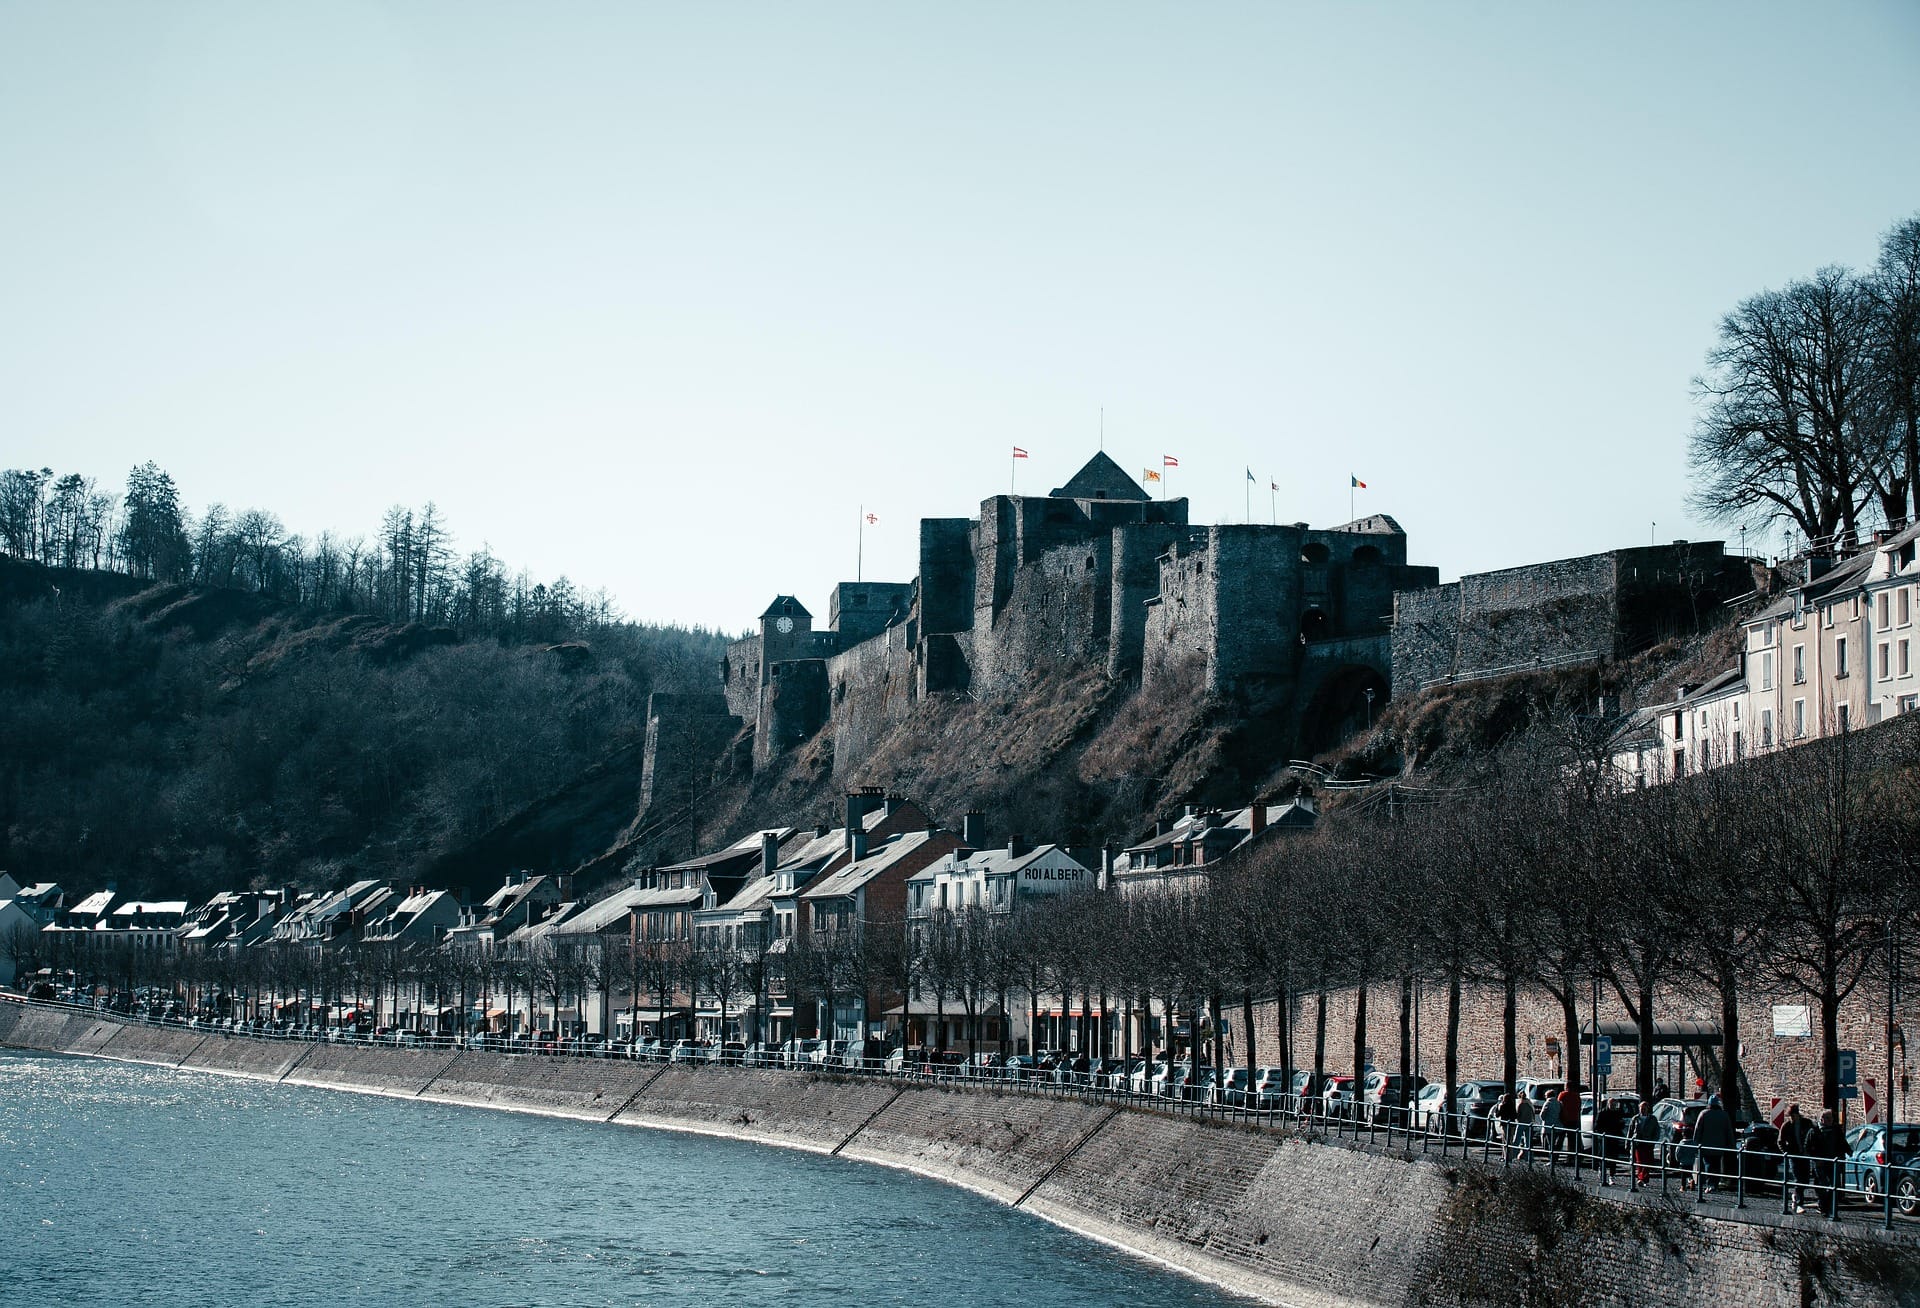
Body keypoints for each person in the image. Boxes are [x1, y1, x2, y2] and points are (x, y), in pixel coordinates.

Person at [1693, 1094, 1737, 1192]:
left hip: (1706, 1145)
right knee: (1716, 1165)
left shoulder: (1704, 1114)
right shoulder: (1724, 1115)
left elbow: (1698, 1129)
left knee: (1708, 1164)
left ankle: (1710, 1184)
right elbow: (1728, 1131)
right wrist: (1731, 1145)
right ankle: (1715, 1184)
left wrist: (1696, 1143)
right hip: (1719, 1146)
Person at [1810, 1108, 1847, 1218]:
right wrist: (1816, 1159)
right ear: (1822, 1119)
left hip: (1833, 1163)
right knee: (1822, 1186)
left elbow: (1842, 1143)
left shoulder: (1836, 1130)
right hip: (1820, 1164)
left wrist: (1848, 1151)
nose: (1830, 1120)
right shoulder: (1814, 1131)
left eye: (1831, 1118)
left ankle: (1831, 1209)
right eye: (1827, 1118)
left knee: (1834, 1186)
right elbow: (1808, 1147)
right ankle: (1823, 1207)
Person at [1780, 1104, 1812, 1211]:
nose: (1792, 1118)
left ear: (1797, 1115)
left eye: (1793, 1116)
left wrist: (1810, 1150)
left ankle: (1795, 1195)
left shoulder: (1806, 1123)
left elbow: (1813, 1135)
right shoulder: (1787, 1126)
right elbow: (1780, 1141)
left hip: (1805, 1154)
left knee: (1806, 1179)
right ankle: (1799, 1202)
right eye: (1790, 1116)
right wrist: (1786, 1152)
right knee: (1798, 1178)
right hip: (1793, 1155)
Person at [1594, 1098, 1629, 1185]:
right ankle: (1602, 1172)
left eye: (1614, 1104)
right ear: (1608, 1104)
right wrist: (1602, 1134)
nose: (1613, 1106)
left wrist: (1620, 1125)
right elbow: (1597, 1126)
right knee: (1603, 1156)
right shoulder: (1602, 1113)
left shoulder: (1617, 1113)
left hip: (1614, 1137)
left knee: (1613, 1157)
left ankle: (1611, 1176)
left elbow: (1620, 1124)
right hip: (1604, 1138)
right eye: (1611, 1104)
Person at [1631, 1100, 1662, 1185]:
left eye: (1644, 1108)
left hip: (1648, 1142)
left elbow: (1657, 1130)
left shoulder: (1652, 1119)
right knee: (1639, 1161)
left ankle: (1645, 1178)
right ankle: (1640, 1178)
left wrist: (1654, 1140)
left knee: (1647, 1161)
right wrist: (1629, 1142)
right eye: (1641, 1108)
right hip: (1638, 1143)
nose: (1642, 1110)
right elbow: (1630, 1131)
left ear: (1647, 1109)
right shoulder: (1636, 1118)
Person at [1556, 1085, 1583, 1162]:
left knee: (1559, 1140)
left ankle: (1555, 1157)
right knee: (1572, 1141)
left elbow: (1559, 1106)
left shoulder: (1562, 1095)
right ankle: (1571, 1158)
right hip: (1574, 1120)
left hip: (1564, 1120)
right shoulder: (1577, 1096)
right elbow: (1579, 1107)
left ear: (1566, 1087)